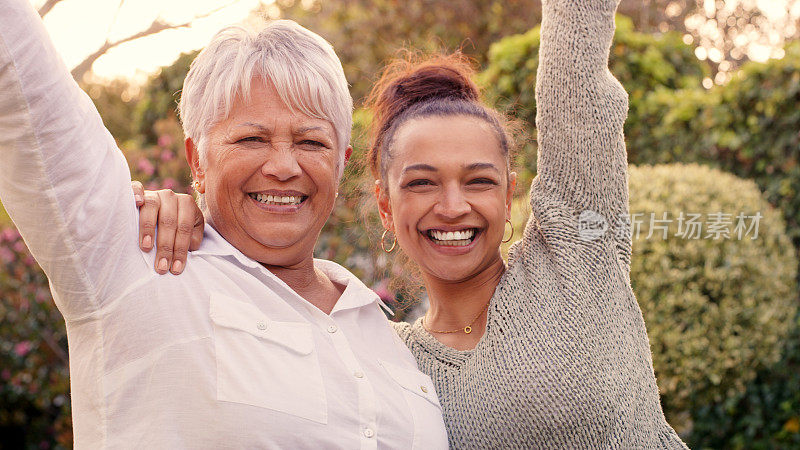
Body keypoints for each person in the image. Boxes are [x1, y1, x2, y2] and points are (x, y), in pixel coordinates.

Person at [142, 0, 690, 447]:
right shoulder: (384, 356)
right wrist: (194, 211)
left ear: (509, 192)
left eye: (478, 181)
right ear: (385, 205)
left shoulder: (575, 257)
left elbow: (577, 74)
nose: (452, 207)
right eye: (422, 183)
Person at [0, 0, 448, 447]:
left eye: (311, 141)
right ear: (196, 158)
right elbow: (24, 85)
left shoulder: (393, 339)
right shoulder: (133, 261)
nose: (284, 165)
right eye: (251, 138)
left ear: (340, 164)